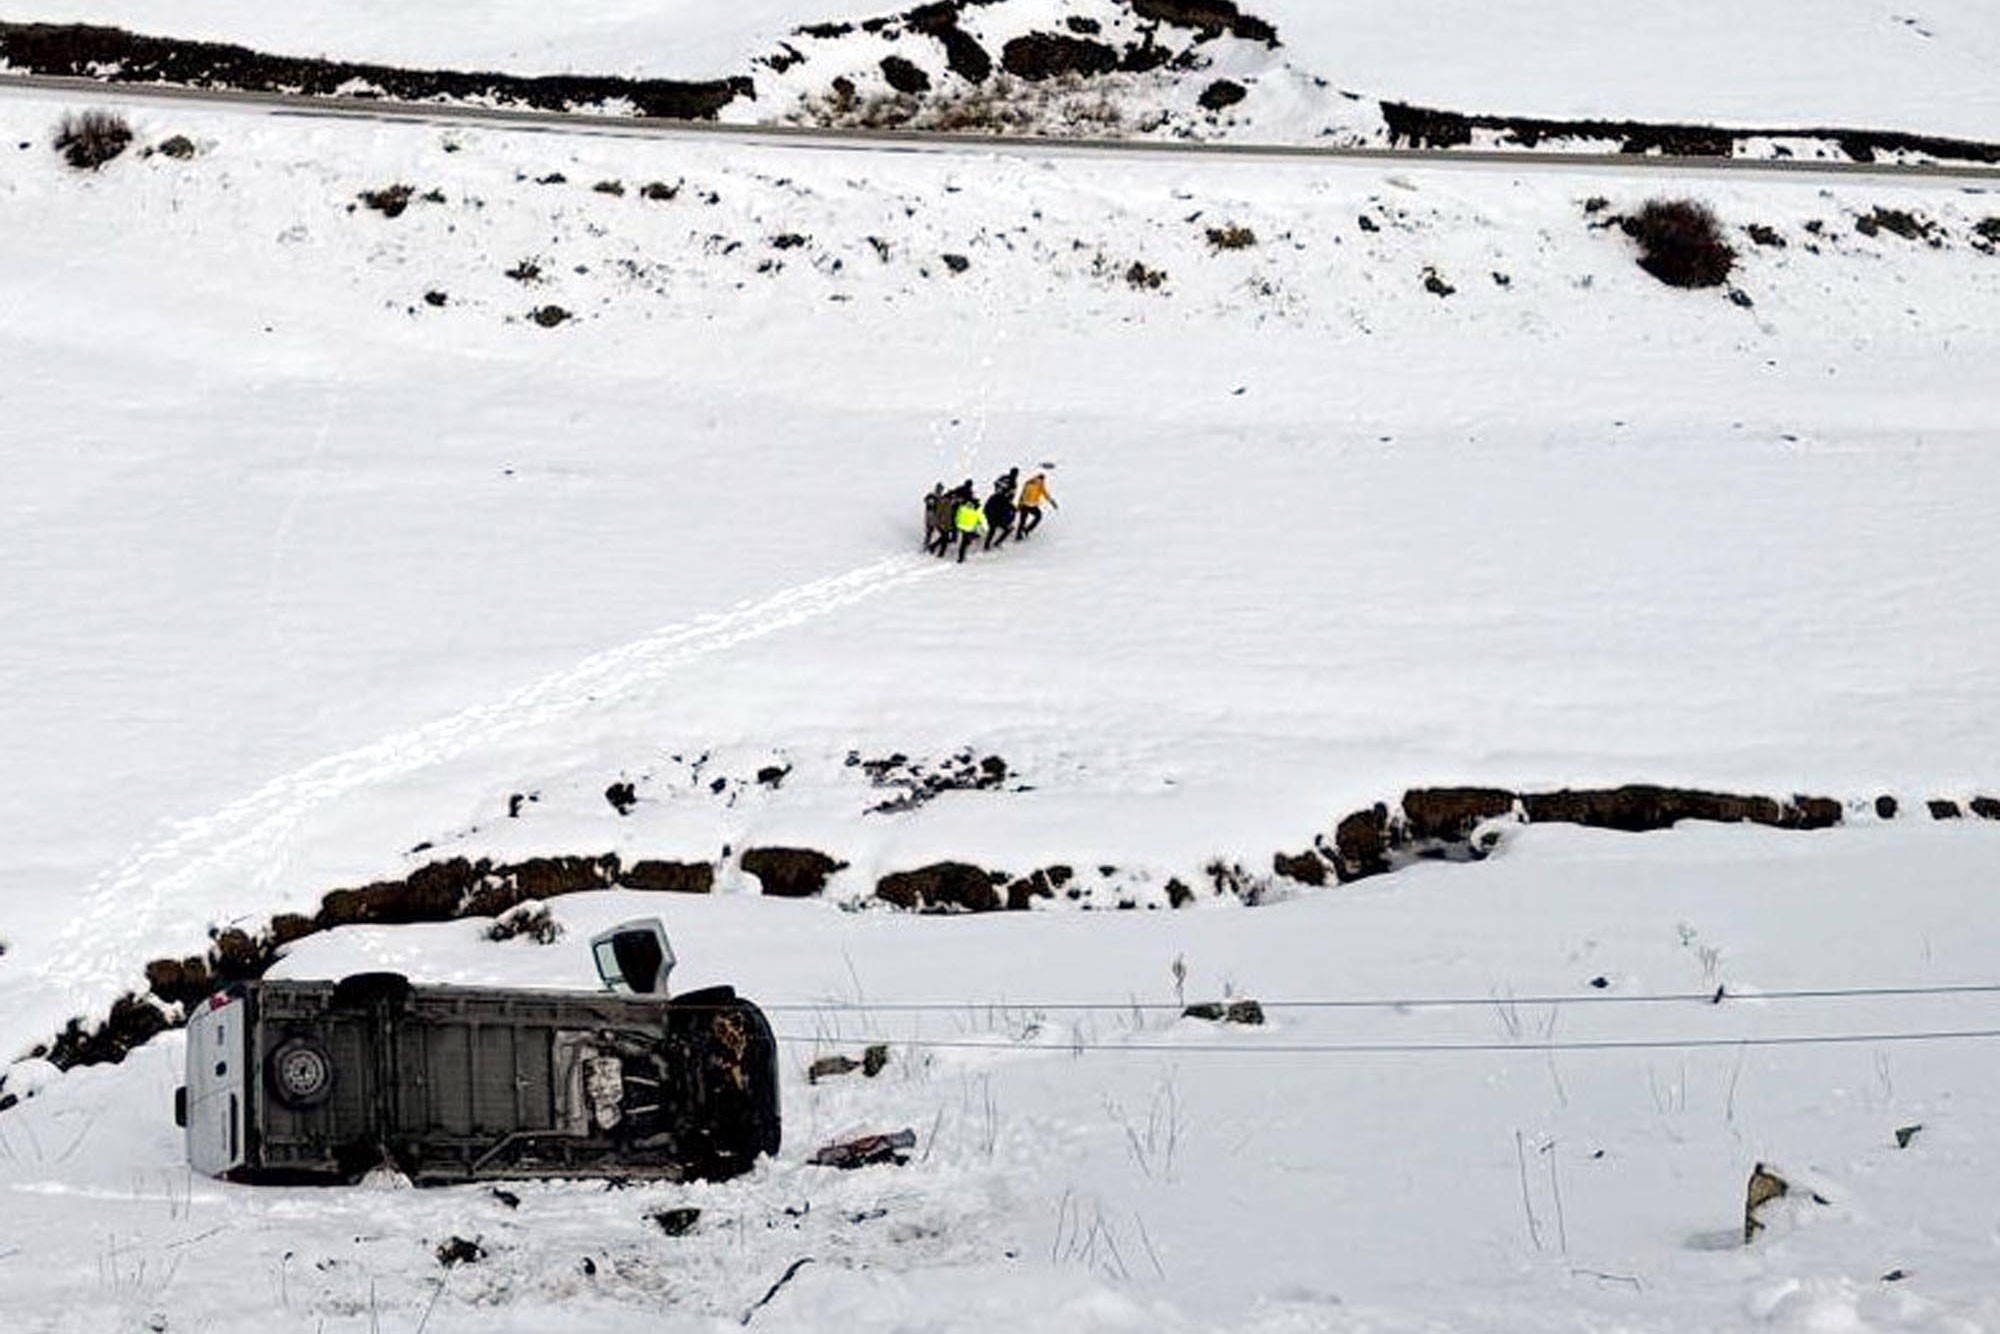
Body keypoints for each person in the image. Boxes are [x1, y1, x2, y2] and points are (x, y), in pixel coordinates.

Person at [1015, 470, 1057, 539]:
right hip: (1031, 505)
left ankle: (1019, 535)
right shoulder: (1040, 485)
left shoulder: (1028, 482)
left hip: (1024, 504)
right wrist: (1052, 502)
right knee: (1038, 516)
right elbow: (1045, 494)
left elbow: (1022, 494)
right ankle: (1026, 530)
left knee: (1022, 520)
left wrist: (1019, 504)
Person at [983, 473, 1018, 551]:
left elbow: (986, 508)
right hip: (999, 519)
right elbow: (1010, 509)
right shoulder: (1005, 501)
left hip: (991, 518)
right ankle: (997, 543)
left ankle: (986, 545)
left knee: (991, 531)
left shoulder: (992, 498)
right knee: (1008, 529)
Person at [952, 491, 987, 563]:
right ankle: (961, 558)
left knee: (964, 542)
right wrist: (984, 526)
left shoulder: (963, 506)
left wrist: (957, 523)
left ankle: (961, 557)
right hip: (970, 527)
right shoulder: (976, 508)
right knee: (966, 541)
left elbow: (958, 515)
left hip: (963, 526)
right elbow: (981, 517)